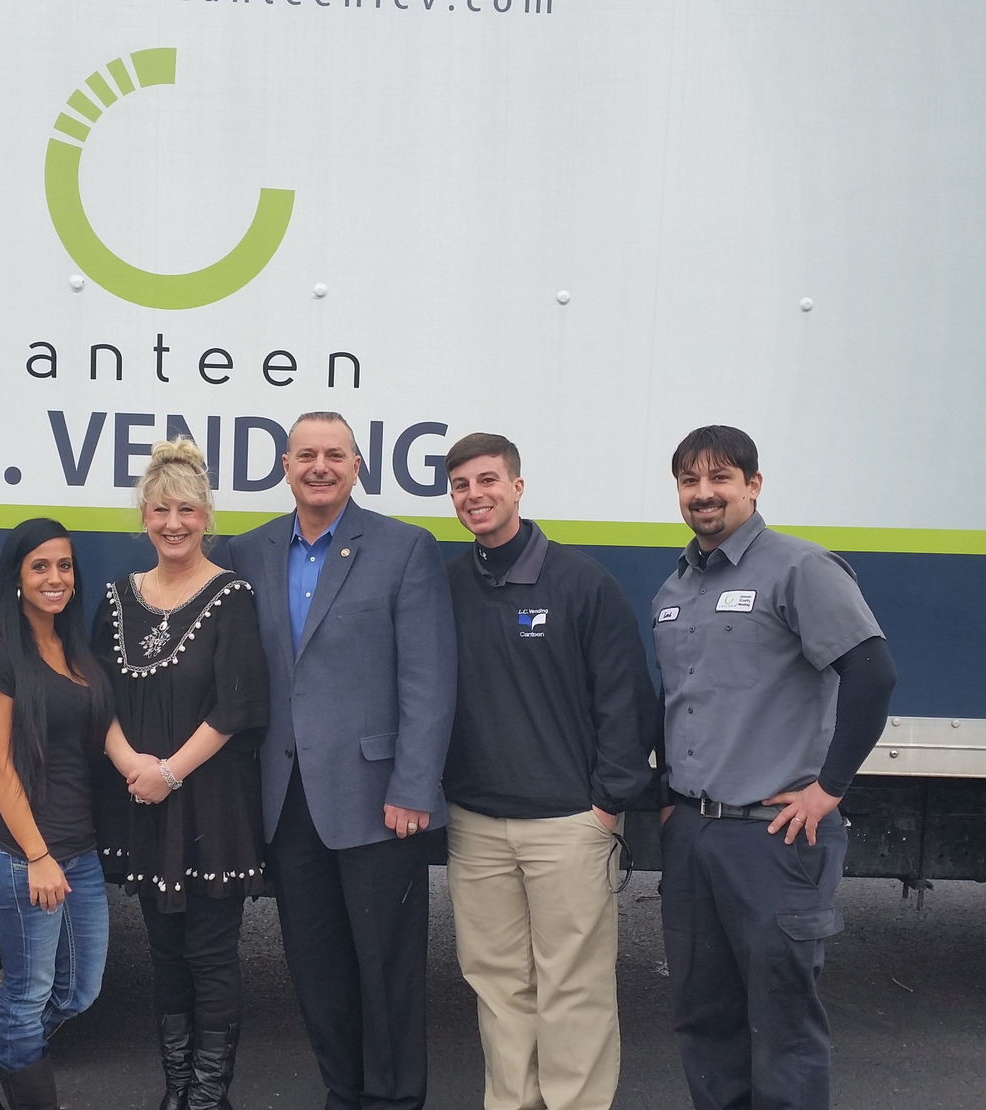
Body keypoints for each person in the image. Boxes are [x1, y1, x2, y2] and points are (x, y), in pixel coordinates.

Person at [651, 426, 897, 1110]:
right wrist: (670, 801)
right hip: (696, 835)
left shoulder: (800, 569)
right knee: (705, 1017)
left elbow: (872, 674)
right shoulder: (674, 589)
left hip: (774, 837)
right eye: (690, 482)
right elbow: (677, 701)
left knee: (781, 1024)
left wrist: (830, 788)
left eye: (720, 479)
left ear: (753, 486)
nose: (704, 495)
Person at [224, 411, 456, 1110]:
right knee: (316, 968)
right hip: (286, 797)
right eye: (305, 455)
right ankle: (345, 1093)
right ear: (285, 467)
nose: (319, 466)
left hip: (381, 797)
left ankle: (392, 1100)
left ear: (357, 466)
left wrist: (414, 784)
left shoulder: (404, 548)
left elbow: (429, 678)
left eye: (334, 455)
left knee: (386, 970)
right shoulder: (247, 551)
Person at [439, 432, 660, 1110]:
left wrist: (605, 806)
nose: (475, 496)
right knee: (497, 984)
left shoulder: (581, 583)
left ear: (517, 486)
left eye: (487, 481)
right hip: (476, 824)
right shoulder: (447, 584)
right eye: (461, 486)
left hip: (568, 823)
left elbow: (628, 703)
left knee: (573, 985)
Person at [92, 437, 269, 1110]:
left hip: (209, 803)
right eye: (161, 510)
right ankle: (177, 1090)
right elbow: (93, 693)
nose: (174, 523)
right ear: (143, 515)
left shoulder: (233, 596)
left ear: (207, 517)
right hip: (141, 798)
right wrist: (131, 764)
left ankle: (207, 1096)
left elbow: (237, 706)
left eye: (187, 511)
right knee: (164, 955)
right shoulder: (115, 599)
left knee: (210, 955)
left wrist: (169, 770)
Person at [0, 518, 116, 1110]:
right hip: (22, 854)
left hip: (77, 850)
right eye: (40, 567)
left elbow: (102, 732)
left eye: (64, 566)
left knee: (79, 990)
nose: (55, 578)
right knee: (27, 997)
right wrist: (36, 856)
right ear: (16, 578)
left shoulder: (72, 647)